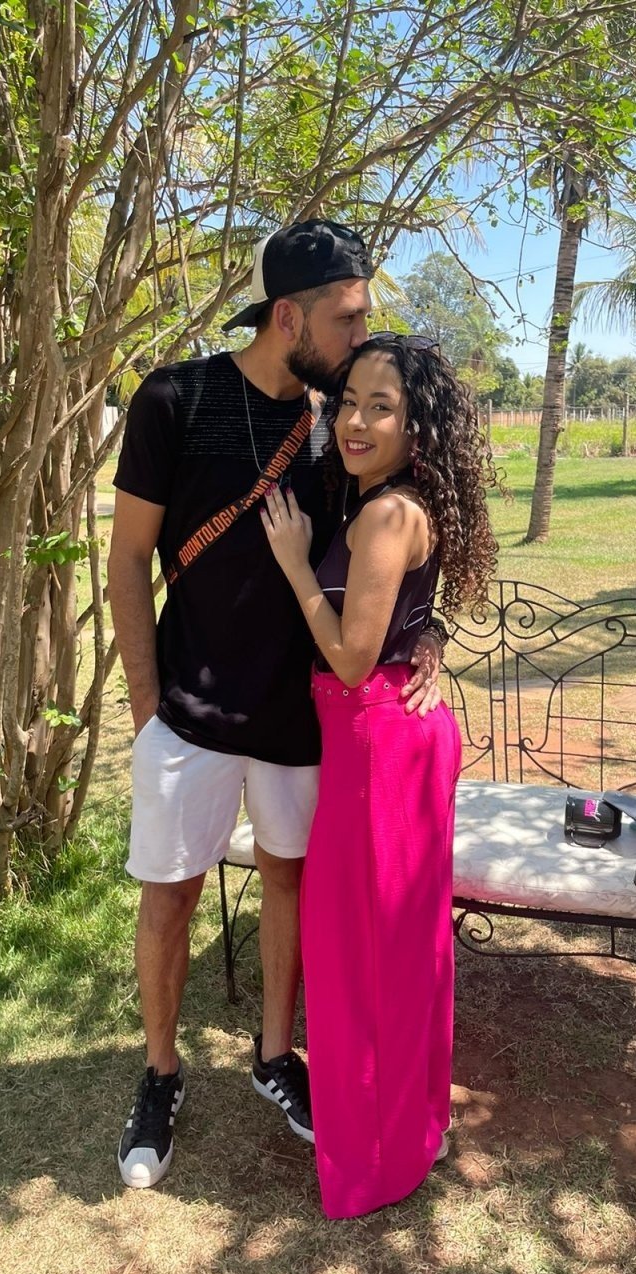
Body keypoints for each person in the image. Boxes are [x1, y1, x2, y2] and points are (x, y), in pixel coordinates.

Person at [107, 222, 446, 1191]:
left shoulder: (339, 428)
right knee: (170, 892)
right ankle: (160, 1072)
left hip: (299, 718)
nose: (360, 336)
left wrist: (424, 630)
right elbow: (126, 559)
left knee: (287, 884)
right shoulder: (174, 400)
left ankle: (272, 1055)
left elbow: (389, 547)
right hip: (187, 711)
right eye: (347, 319)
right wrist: (145, 704)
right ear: (288, 317)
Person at [260, 333, 502, 1217]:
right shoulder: (377, 501)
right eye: (348, 403)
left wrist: (294, 564)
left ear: (417, 426)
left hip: (377, 745)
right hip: (386, 738)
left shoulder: (386, 513)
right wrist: (426, 633)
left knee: (365, 951)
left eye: (381, 407)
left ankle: (377, 1150)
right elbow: (403, 615)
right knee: (389, 948)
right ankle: (397, 1126)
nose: (355, 421)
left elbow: (352, 658)